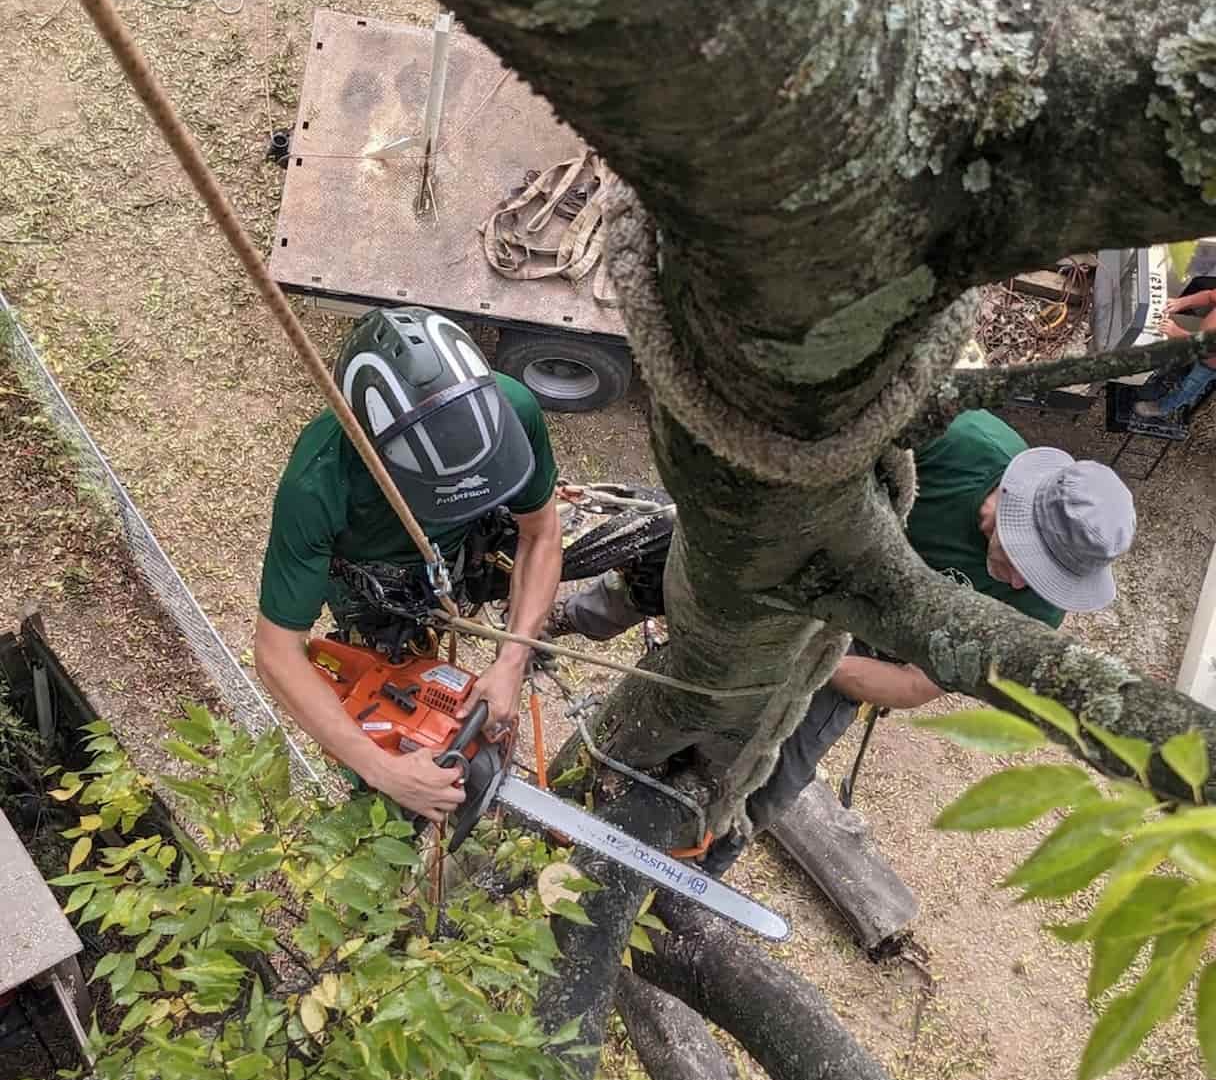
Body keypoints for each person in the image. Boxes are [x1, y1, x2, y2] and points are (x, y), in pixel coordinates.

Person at [549, 411, 1137, 873]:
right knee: (659, 576)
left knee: (774, 776)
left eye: (1033, 579)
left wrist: (810, 662)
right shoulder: (957, 443)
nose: (1013, 582)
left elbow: (912, 684)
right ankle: (565, 621)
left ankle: (696, 872)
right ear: (1013, 499)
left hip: (856, 655)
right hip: (805, 561)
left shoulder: (1035, 607)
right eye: (1018, 560)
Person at [254, 307, 562, 823]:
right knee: (376, 711)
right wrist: (381, 768)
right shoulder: (318, 483)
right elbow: (276, 653)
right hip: (374, 587)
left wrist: (512, 659)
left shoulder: (512, 410)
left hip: (464, 551)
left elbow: (541, 532)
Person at [1134, 286, 1216, 418]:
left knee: (1189, 386)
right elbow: (1209, 296)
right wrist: (1181, 303)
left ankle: (1163, 407)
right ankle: (1159, 379)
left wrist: (1178, 333)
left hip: (1211, 363)